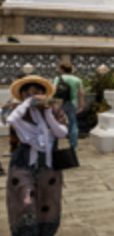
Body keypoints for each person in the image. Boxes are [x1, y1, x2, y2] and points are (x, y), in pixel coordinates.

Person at [6, 75, 69, 236]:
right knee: (25, 200)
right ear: (22, 95)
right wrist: (27, 104)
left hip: (48, 164)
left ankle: (45, 232)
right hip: (23, 161)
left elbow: (61, 133)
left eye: (37, 92)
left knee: (47, 201)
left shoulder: (54, 109)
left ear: (44, 93)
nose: (34, 96)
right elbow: (11, 120)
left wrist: (48, 115)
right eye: (27, 93)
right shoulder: (16, 110)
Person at [52, 63, 82, 151]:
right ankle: (73, 145)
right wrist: (81, 104)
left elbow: (53, 90)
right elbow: (81, 93)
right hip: (72, 103)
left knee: (55, 122)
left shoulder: (58, 78)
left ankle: (54, 144)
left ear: (62, 70)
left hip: (59, 103)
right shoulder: (77, 79)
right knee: (73, 123)